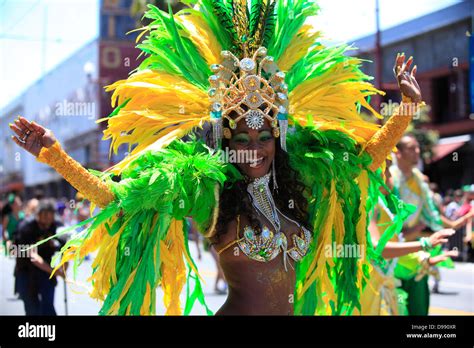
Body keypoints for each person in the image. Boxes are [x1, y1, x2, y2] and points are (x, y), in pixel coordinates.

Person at [8, 1, 423, 315]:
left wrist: (404, 109)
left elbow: (364, 160)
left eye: (264, 136)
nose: (256, 147)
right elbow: (116, 198)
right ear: (227, 139)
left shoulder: (300, 183)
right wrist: (57, 156)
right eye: (244, 136)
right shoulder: (211, 192)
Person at [390, 135, 468, 315]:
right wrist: (410, 231)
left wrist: (456, 223)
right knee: (394, 305)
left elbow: (433, 214)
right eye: (411, 148)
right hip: (393, 249)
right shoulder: (389, 178)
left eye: (417, 148)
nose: (417, 152)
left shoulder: (420, 180)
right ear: (398, 153)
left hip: (415, 249)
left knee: (418, 306)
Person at [14, 199, 66, 315]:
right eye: (44, 216)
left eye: (50, 215)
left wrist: (63, 268)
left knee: (48, 307)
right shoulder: (26, 227)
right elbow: (33, 257)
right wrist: (55, 272)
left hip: (46, 268)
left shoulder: (56, 225)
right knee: (32, 308)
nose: (47, 220)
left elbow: (68, 247)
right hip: (26, 269)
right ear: (37, 214)